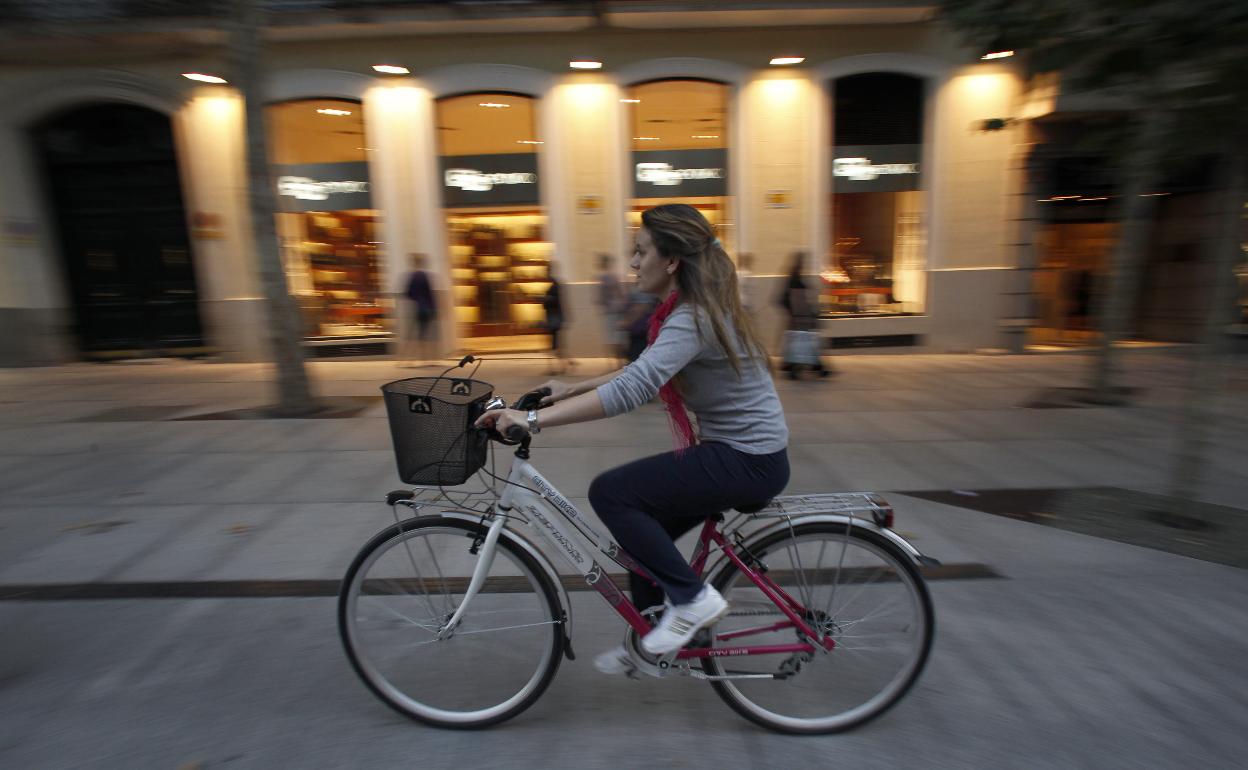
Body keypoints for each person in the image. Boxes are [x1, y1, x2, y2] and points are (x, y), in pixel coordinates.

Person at [475, 204, 790, 674]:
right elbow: (643, 370)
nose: (633, 263)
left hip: (746, 460)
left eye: (641, 252)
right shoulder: (690, 311)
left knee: (613, 493)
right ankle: (655, 637)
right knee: (643, 538)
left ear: (672, 262)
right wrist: (571, 388)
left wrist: (533, 420)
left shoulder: (694, 317)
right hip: (743, 454)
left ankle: (692, 601)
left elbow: (634, 389)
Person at [778, 251, 830, 379]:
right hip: (800, 318)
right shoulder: (795, 279)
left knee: (800, 342)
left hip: (797, 317)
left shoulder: (794, 277)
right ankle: (815, 366)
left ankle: (804, 366)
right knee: (806, 342)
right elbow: (799, 299)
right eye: (803, 262)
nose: (804, 265)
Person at [401, 253, 438, 367]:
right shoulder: (425, 276)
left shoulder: (411, 276)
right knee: (424, 334)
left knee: (412, 333)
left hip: (417, 308)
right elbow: (430, 294)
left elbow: (407, 293)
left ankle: (407, 359)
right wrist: (434, 308)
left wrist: (416, 299)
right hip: (427, 308)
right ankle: (426, 359)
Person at [595, 253, 626, 364]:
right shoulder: (615, 276)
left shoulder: (603, 278)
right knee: (617, 337)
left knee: (610, 338)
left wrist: (600, 304)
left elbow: (600, 298)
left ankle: (613, 364)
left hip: (610, 311)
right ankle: (618, 363)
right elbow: (621, 294)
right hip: (618, 309)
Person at [541, 262, 570, 375]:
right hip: (555, 318)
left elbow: (553, 301)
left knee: (554, 345)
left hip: (554, 318)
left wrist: (544, 300)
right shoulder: (555, 284)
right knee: (556, 345)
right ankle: (566, 364)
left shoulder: (554, 285)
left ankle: (558, 367)